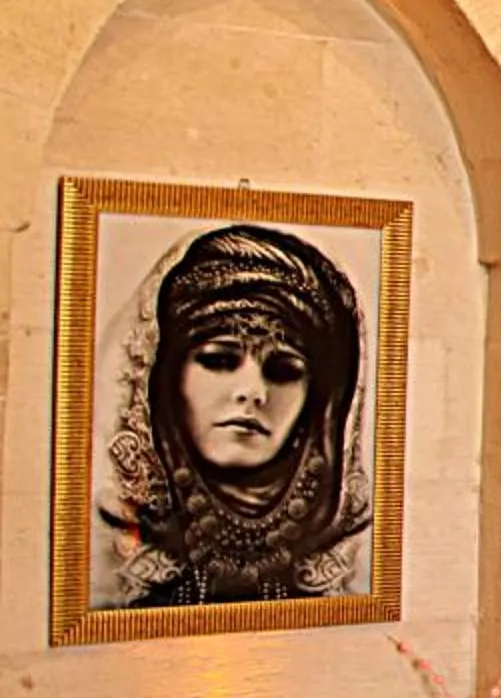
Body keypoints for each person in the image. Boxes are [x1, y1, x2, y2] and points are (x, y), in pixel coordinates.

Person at [97, 223, 373, 608]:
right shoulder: (101, 550)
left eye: (284, 371)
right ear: (166, 379)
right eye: (219, 361)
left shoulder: (354, 558)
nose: (253, 393)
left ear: (320, 402)